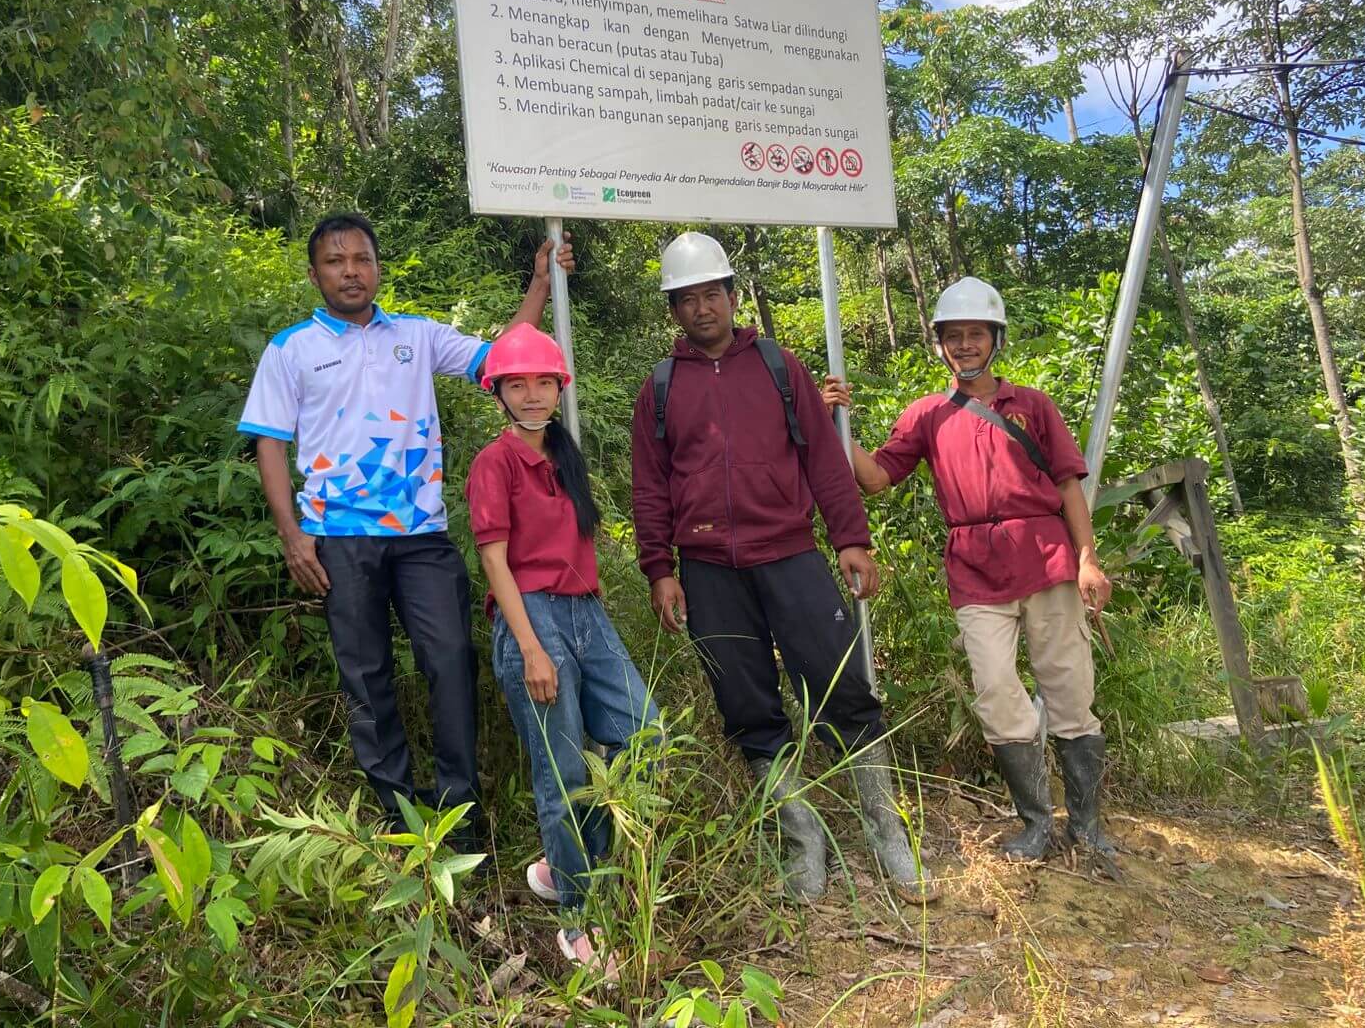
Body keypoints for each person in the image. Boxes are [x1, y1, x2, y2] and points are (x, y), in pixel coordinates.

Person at [238, 211, 573, 843]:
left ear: (378, 267)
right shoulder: (291, 349)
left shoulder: (417, 337)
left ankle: (460, 813)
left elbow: (506, 360)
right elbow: (271, 445)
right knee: (365, 673)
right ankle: (396, 812)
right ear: (315, 275)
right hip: (337, 536)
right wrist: (291, 535)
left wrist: (539, 285)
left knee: (450, 659)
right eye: (335, 262)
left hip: (422, 535)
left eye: (361, 259)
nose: (350, 271)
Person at [630, 231, 933, 905]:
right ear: (673, 309)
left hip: (792, 553)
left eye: (713, 293)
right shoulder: (659, 388)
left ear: (732, 297)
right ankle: (805, 842)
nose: (702, 308)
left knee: (841, 689)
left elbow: (825, 459)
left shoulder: (778, 366)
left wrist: (851, 537)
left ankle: (888, 833)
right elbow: (649, 488)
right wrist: (660, 569)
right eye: (687, 298)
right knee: (748, 708)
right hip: (707, 570)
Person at [822, 276, 1116, 863]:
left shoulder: (1032, 406)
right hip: (974, 566)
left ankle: (1086, 826)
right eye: (953, 336)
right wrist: (837, 424)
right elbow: (877, 478)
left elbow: (1067, 486)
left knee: (1068, 685)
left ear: (994, 338)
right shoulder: (927, 414)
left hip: (1045, 553)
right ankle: (1036, 823)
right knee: (995, 689)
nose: (964, 345)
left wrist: (1087, 559)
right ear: (939, 344)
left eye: (975, 334)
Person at [466, 323, 660, 978]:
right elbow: (493, 559)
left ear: (558, 387)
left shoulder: (561, 454)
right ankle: (580, 919)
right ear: (498, 392)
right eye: (515, 384)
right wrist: (530, 648)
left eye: (541, 382)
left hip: (586, 613)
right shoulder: (495, 463)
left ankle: (561, 863)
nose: (530, 395)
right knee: (564, 772)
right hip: (533, 617)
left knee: (647, 733)